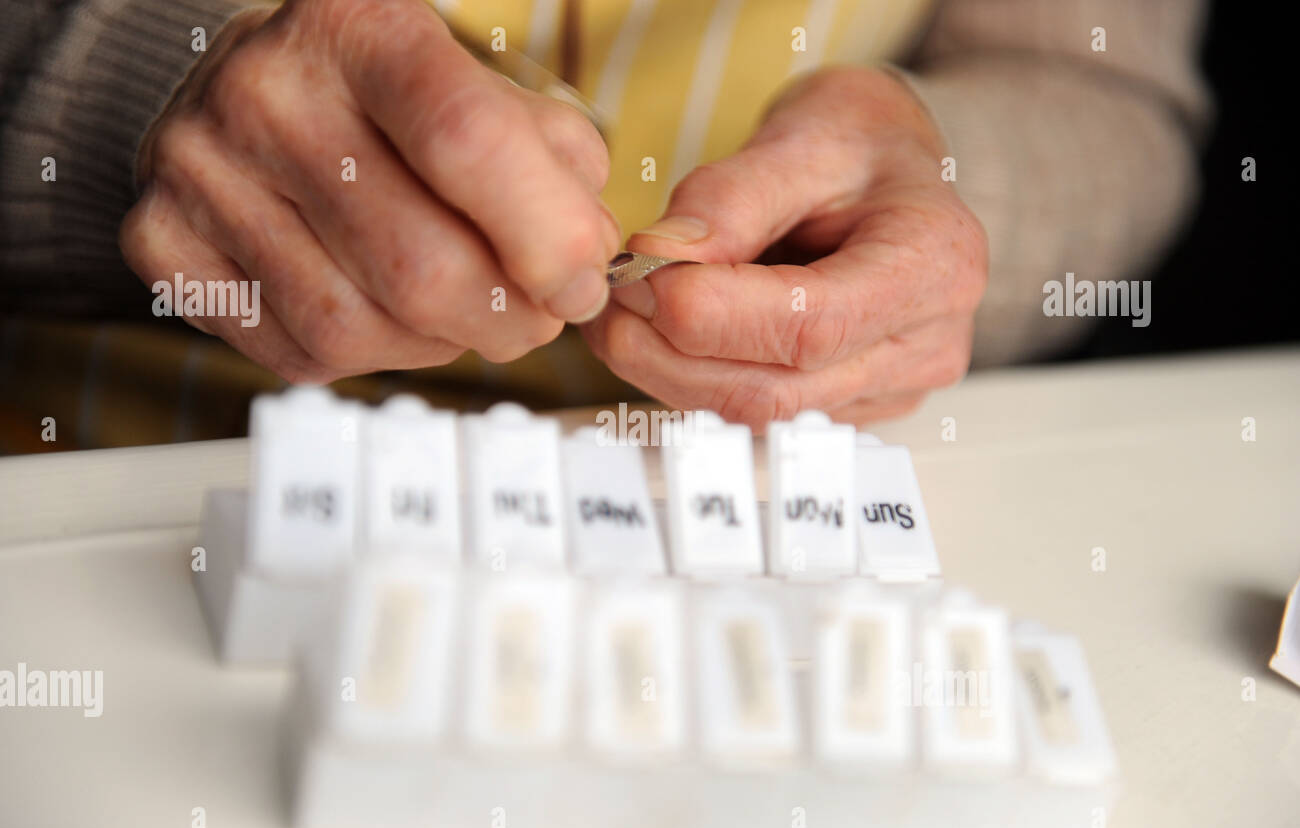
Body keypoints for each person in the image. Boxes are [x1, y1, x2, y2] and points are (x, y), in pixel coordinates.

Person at [0, 0, 1209, 450]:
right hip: (127, 461)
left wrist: (947, 182)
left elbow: (1105, 97)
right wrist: (144, 88)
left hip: (768, 502)